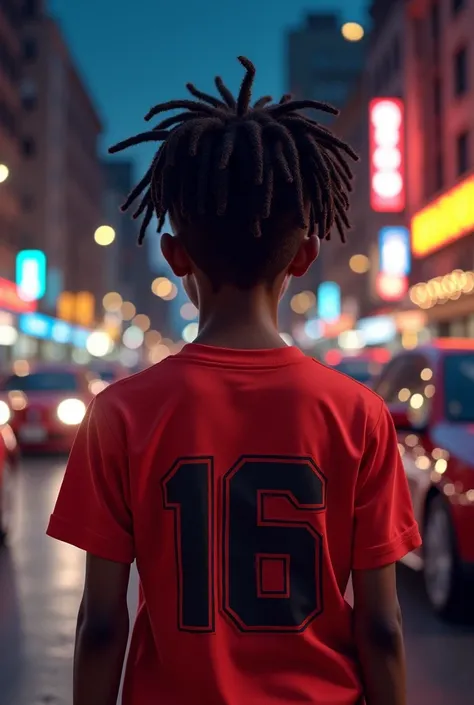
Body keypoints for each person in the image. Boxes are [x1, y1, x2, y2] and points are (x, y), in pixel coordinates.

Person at [47, 56, 421, 705]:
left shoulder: (120, 413)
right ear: (304, 255)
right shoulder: (358, 413)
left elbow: (101, 622)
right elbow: (382, 626)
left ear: (175, 253)